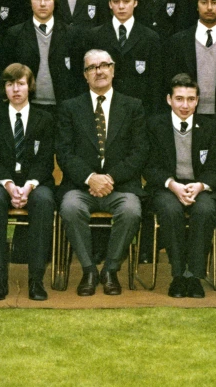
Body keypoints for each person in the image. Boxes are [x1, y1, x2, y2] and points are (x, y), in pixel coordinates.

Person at [56, 49, 148, 296]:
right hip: (80, 186)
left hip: (120, 186)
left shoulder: (133, 106)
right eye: (92, 67)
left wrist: (110, 178)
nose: (99, 71)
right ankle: (88, 270)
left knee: (130, 211)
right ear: (85, 75)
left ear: (113, 69)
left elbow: (139, 152)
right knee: (70, 207)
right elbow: (64, 152)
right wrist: (90, 178)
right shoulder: (69, 108)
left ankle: (110, 269)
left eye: (104, 65)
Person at [0, 64, 56, 301]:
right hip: (2, 182)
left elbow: (45, 160)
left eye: (21, 83)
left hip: (36, 182)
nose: (16, 89)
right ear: (4, 88)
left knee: (44, 201)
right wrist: (10, 185)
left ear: (30, 86)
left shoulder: (45, 119)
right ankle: (0, 279)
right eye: (10, 84)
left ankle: (36, 280)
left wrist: (29, 186)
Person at [144, 74, 216, 298]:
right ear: (169, 100)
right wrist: (172, 185)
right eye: (179, 99)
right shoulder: (154, 126)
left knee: (205, 210)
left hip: (200, 187)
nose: (184, 105)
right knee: (170, 210)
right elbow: (149, 166)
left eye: (190, 99)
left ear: (197, 101)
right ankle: (178, 276)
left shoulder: (210, 127)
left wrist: (201, 186)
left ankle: (194, 276)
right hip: (166, 187)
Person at [5, 0, 86, 116]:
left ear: (55, 1)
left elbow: (78, 77)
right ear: (30, 1)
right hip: (27, 109)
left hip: (63, 110)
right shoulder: (14, 34)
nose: (42, 3)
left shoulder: (72, 34)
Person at [86, 0, 164, 116]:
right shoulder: (95, 36)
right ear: (110, 3)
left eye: (126, 1)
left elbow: (156, 86)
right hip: (104, 112)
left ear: (135, 2)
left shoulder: (150, 38)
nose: (121, 6)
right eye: (116, 1)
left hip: (138, 115)